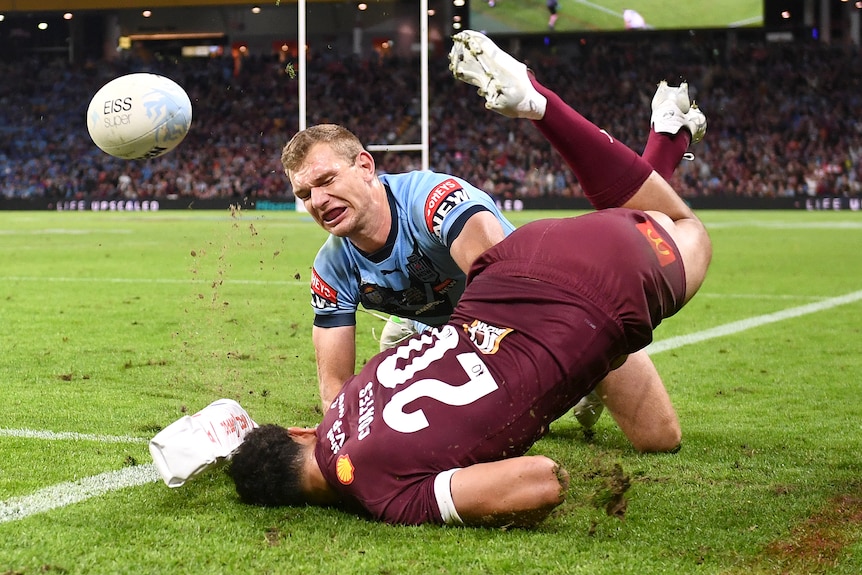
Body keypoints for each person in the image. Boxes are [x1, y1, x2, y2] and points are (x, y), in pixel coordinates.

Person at [226, 30, 712, 527]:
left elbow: (504, 282)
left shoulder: (433, 200)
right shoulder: (331, 267)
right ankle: (665, 133)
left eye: (326, 181)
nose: (317, 201)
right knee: (658, 437)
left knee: (674, 239)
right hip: (492, 327)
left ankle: (618, 127)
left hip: (538, 309)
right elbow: (334, 393)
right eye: (305, 194)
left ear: (366, 166)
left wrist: (506, 400)